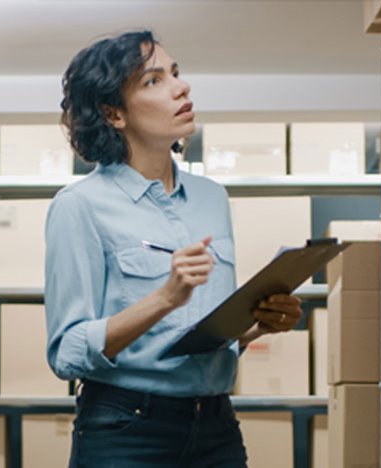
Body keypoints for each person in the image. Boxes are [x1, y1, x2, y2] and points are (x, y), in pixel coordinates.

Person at [44, 30, 305, 467]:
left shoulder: (212, 198)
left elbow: (200, 336)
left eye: (177, 74)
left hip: (216, 422)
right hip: (126, 429)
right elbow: (67, 352)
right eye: (153, 81)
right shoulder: (79, 206)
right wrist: (165, 298)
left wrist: (259, 324)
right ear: (114, 113)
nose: (181, 87)